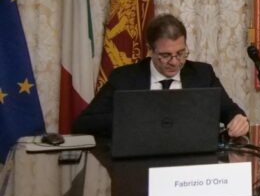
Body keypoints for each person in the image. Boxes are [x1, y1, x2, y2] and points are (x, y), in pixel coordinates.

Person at [73, 14, 249, 138]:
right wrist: (135, 118)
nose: (175, 62)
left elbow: (230, 111)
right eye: (165, 55)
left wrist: (238, 120)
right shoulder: (124, 78)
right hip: (139, 167)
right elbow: (83, 123)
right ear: (150, 50)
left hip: (191, 165)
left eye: (181, 53)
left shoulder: (202, 74)